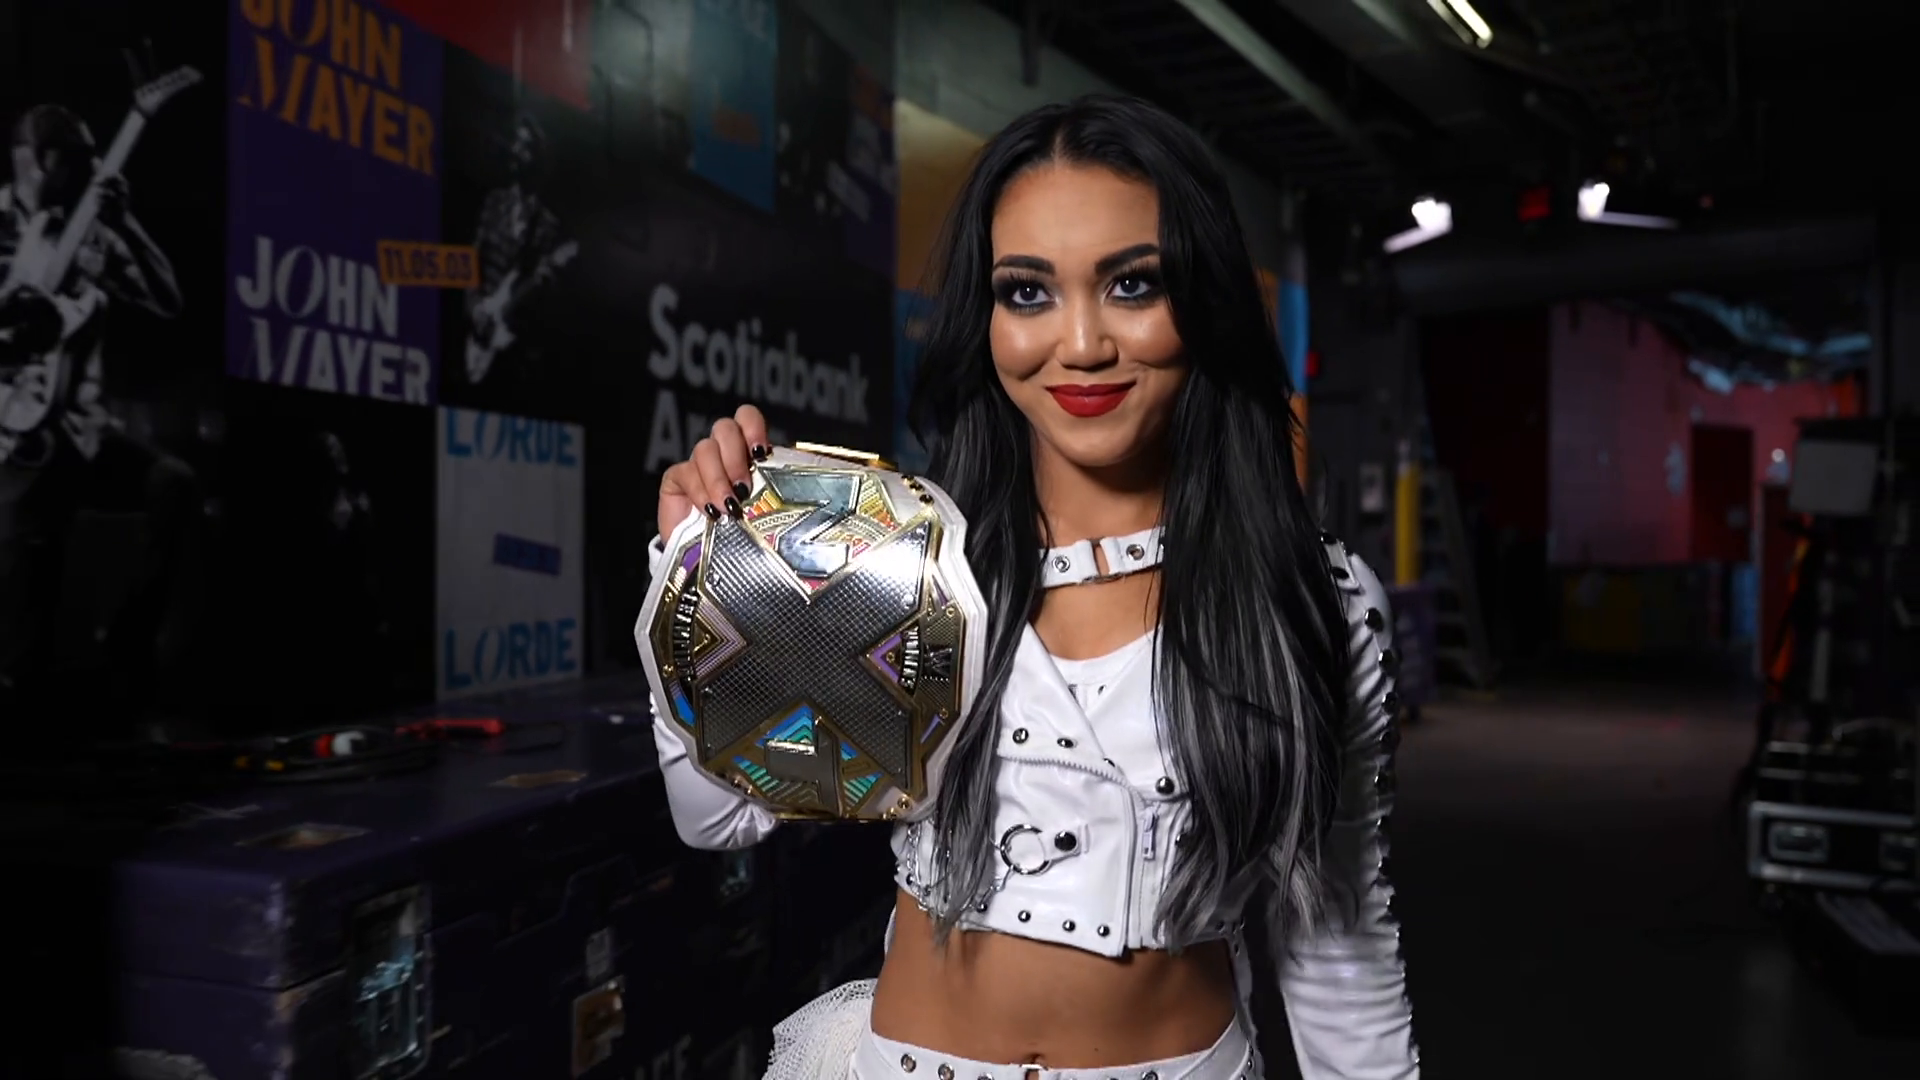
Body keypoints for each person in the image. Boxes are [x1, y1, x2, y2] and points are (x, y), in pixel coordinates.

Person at [645, 95, 1417, 1080]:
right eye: (1028, 292)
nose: (1082, 342)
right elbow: (718, 818)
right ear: (987, 318)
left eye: (1133, 284)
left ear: (1204, 300)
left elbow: (1341, 944)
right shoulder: (897, 561)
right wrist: (694, 578)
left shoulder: (1311, 599)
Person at [0, 101, 197, 725]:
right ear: (42, 161)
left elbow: (168, 300)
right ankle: (21, 701)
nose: (91, 172)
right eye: (79, 160)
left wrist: (127, 225)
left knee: (174, 484)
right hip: (13, 439)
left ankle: (126, 647)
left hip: (83, 433)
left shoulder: (91, 233)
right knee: (31, 558)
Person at [463, 112, 568, 390]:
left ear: (537, 159)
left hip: (514, 344)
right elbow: (471, 259)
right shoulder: (494, 202)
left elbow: (544, 293)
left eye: (524, 146)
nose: (515, 151)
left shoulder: (546, 225)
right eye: (516, 143)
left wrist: (532, 292)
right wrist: (475, 308)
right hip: (480, 324)